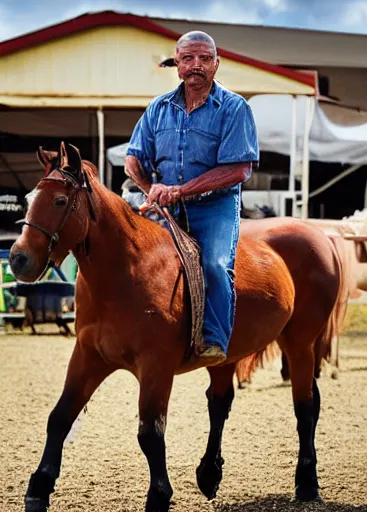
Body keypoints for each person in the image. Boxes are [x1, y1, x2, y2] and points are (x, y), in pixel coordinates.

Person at [124, 31, 258, 365]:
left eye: (203, 58)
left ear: (216, 63)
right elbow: (133, 160)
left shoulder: (233, 108)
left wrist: (179, 190)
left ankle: (215, 338)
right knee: (136, 259)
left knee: (214, 264)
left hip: (216, 206)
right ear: (177, 63)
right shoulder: (158, 108)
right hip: (167, 206)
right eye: (188, 59)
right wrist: (149, 189)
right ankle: (143, 329)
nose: (195, 65)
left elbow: (238, 170)